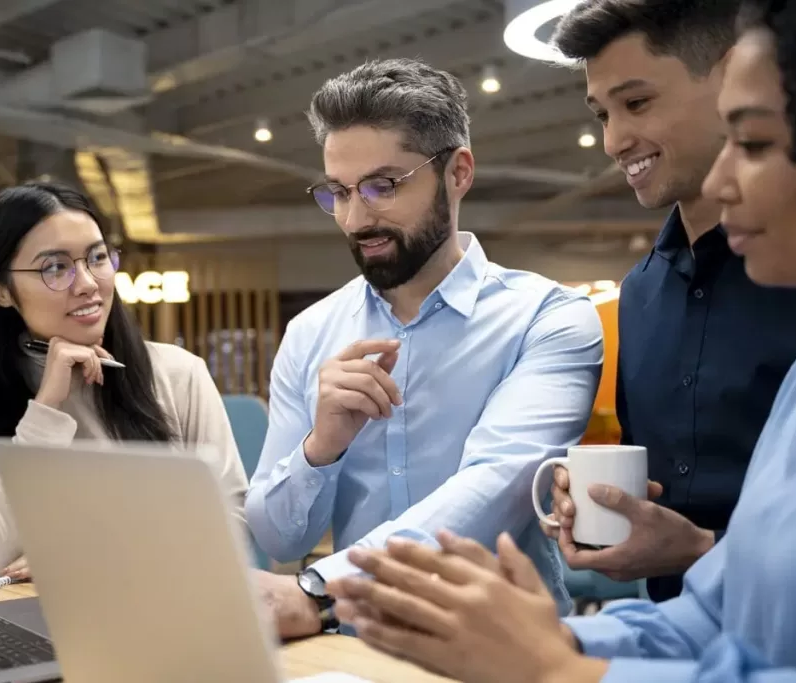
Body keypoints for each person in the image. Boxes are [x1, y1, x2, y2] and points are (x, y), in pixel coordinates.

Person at [326, 0, 796, 680]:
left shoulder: (554, 317)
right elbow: (713, 617)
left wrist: (558, 666)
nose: (721, 180)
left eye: (749, 142)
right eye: (603, 113)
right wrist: (537, 638)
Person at [243, 58, 605, 635]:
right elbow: (278, 536)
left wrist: (321, 592)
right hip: (355, 650)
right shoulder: (311, 332)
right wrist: (321, 447)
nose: (357, 218)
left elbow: (495, 489)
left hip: (508, 651)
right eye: (338, 191)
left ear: (458, 172)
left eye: (382, 186)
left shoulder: (548, 318)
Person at [543, 0, 796, 601]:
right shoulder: (640, 293)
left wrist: (702, 550)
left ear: (730, 77)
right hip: (674, 636)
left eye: (637, 103)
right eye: (602, 114)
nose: (613, 140)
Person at [0, 181, 248, 580]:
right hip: (34, 615)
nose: (88, 283)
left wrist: (95, 552)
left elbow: (235, 526)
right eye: (55, 267)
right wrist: (45, 411)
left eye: (97, 257)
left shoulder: (178, 373)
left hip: (168, 607)